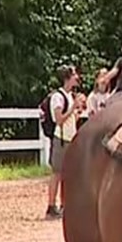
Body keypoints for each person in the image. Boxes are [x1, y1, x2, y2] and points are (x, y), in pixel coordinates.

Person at [42, 66, 80, 219]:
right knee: (57, 173)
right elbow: (59, 119)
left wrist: (76, 112)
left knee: (66, 174)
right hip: (61, 139)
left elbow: (69, 119)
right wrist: (73, 108)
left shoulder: (69, 96)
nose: (77, 77)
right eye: (74, 74)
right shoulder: (58, 97)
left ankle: (64, 205)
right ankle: (51, 206)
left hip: (69, 138)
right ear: (67, 78)